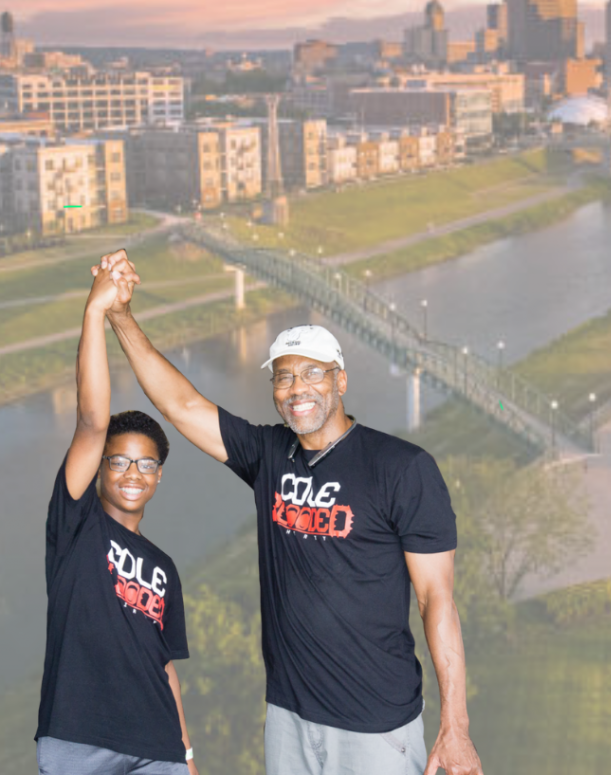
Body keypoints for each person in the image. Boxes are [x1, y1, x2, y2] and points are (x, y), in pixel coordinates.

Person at [99, 248, 483, 775]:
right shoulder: (268, 454)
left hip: (376, 724)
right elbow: (181, 405)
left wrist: (455, 726)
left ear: (340, 380)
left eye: (312, 374)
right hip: (288, 717)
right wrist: (119, 316)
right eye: (283, 377)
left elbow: (437, 598)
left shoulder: (403, 468)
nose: (297, 388)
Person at [36, 257, 197, 775]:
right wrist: (97, 311)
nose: (133, 472)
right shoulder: (75, 525)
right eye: (120, 459)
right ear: (100, 468)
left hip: (158, 747)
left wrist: (187, 754)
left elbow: (165, 666)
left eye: (146, 462)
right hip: (78, 741)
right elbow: (91, 418)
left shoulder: (164, 567)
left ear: (159, 476)